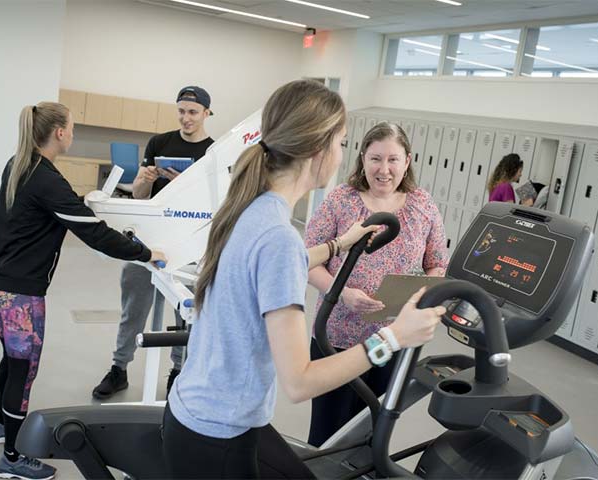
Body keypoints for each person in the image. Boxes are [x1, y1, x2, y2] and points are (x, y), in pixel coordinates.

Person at [162, 80, 447, 478]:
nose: (343, 154)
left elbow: (275, 261)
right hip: (219, 435)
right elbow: (299, 381)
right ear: (320, 150)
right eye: (343, 142)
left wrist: (337, 245)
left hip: (199, 415)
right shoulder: (278, 236)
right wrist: (395, 338)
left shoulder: (254, 209)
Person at [0, 102, 166, 480]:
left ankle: (3, 426)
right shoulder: (46, 178)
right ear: (61, 133)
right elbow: (94, 234)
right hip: (20, 294)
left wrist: (85, 203)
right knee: (24, 370)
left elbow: (59, 210)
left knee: (12, 360)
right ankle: (13, 459)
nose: (74, 132)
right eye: (72, 127)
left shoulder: (21, 163)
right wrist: (146, 253)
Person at [304, 122, 449, 446]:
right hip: (338, 337)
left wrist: (422, 290)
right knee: (328, 434)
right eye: (375, 159)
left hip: (393, 340)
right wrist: (341, 293)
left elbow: (438, 263)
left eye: (393, 159)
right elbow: (307, 260)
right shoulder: (342, 200)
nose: (384, 169)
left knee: (371, 433)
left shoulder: (422, 205)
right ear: (362, 159)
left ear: (407, 161)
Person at [92, 86, 214, 400]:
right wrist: (144, 181)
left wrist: (182, 186)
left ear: (206, 114)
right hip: (147, 240)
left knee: (184, 311)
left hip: (187, 245)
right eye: (182, 111)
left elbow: (214, 206)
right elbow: (140, 197)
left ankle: (178, 370)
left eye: (192, 112)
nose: (186, 118)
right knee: (133, 307)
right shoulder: (159, 143)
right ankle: (119, 368)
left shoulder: (213, 154)